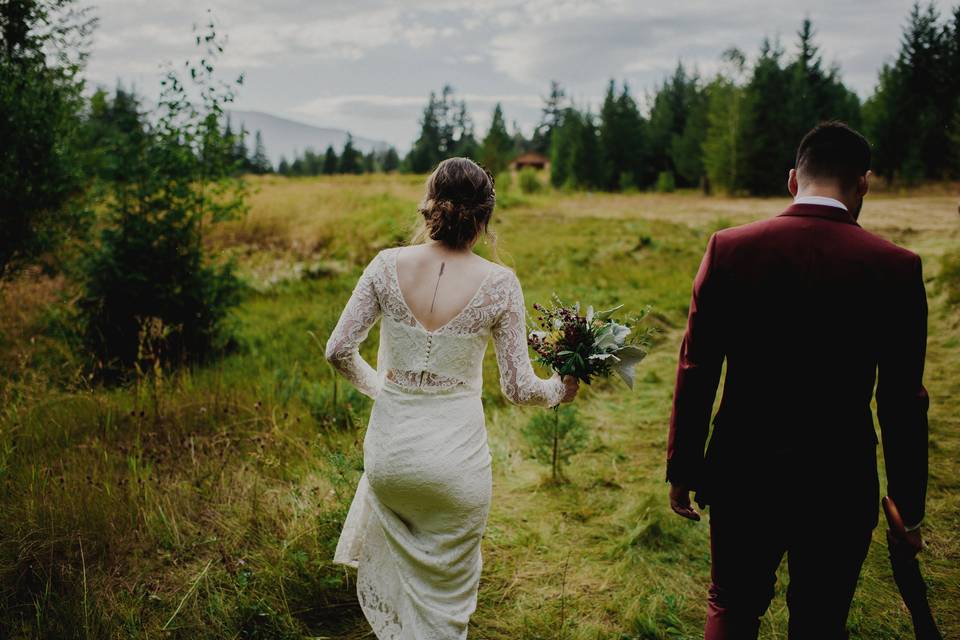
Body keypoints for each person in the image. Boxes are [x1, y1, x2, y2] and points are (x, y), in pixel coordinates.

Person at [666, 122, 929, 639]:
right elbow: (902, 399)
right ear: (864, 184)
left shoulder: (729, 249)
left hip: (743, 471)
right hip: (840, 479)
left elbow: (697, 369)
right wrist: (908, 506)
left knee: (732, 605)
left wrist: (683, 467)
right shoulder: (895, 266)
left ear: (793, 180)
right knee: (820, 619)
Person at [326, 157, 578, 639]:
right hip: (455, 468)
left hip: (390, 461)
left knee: (408, 592)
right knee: (446, 605)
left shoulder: (384, 265)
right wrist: (559, 391)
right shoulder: (500, 283)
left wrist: (387, 392)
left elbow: (338, 350)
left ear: (429, 205)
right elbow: (519, 387)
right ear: (484, 216)